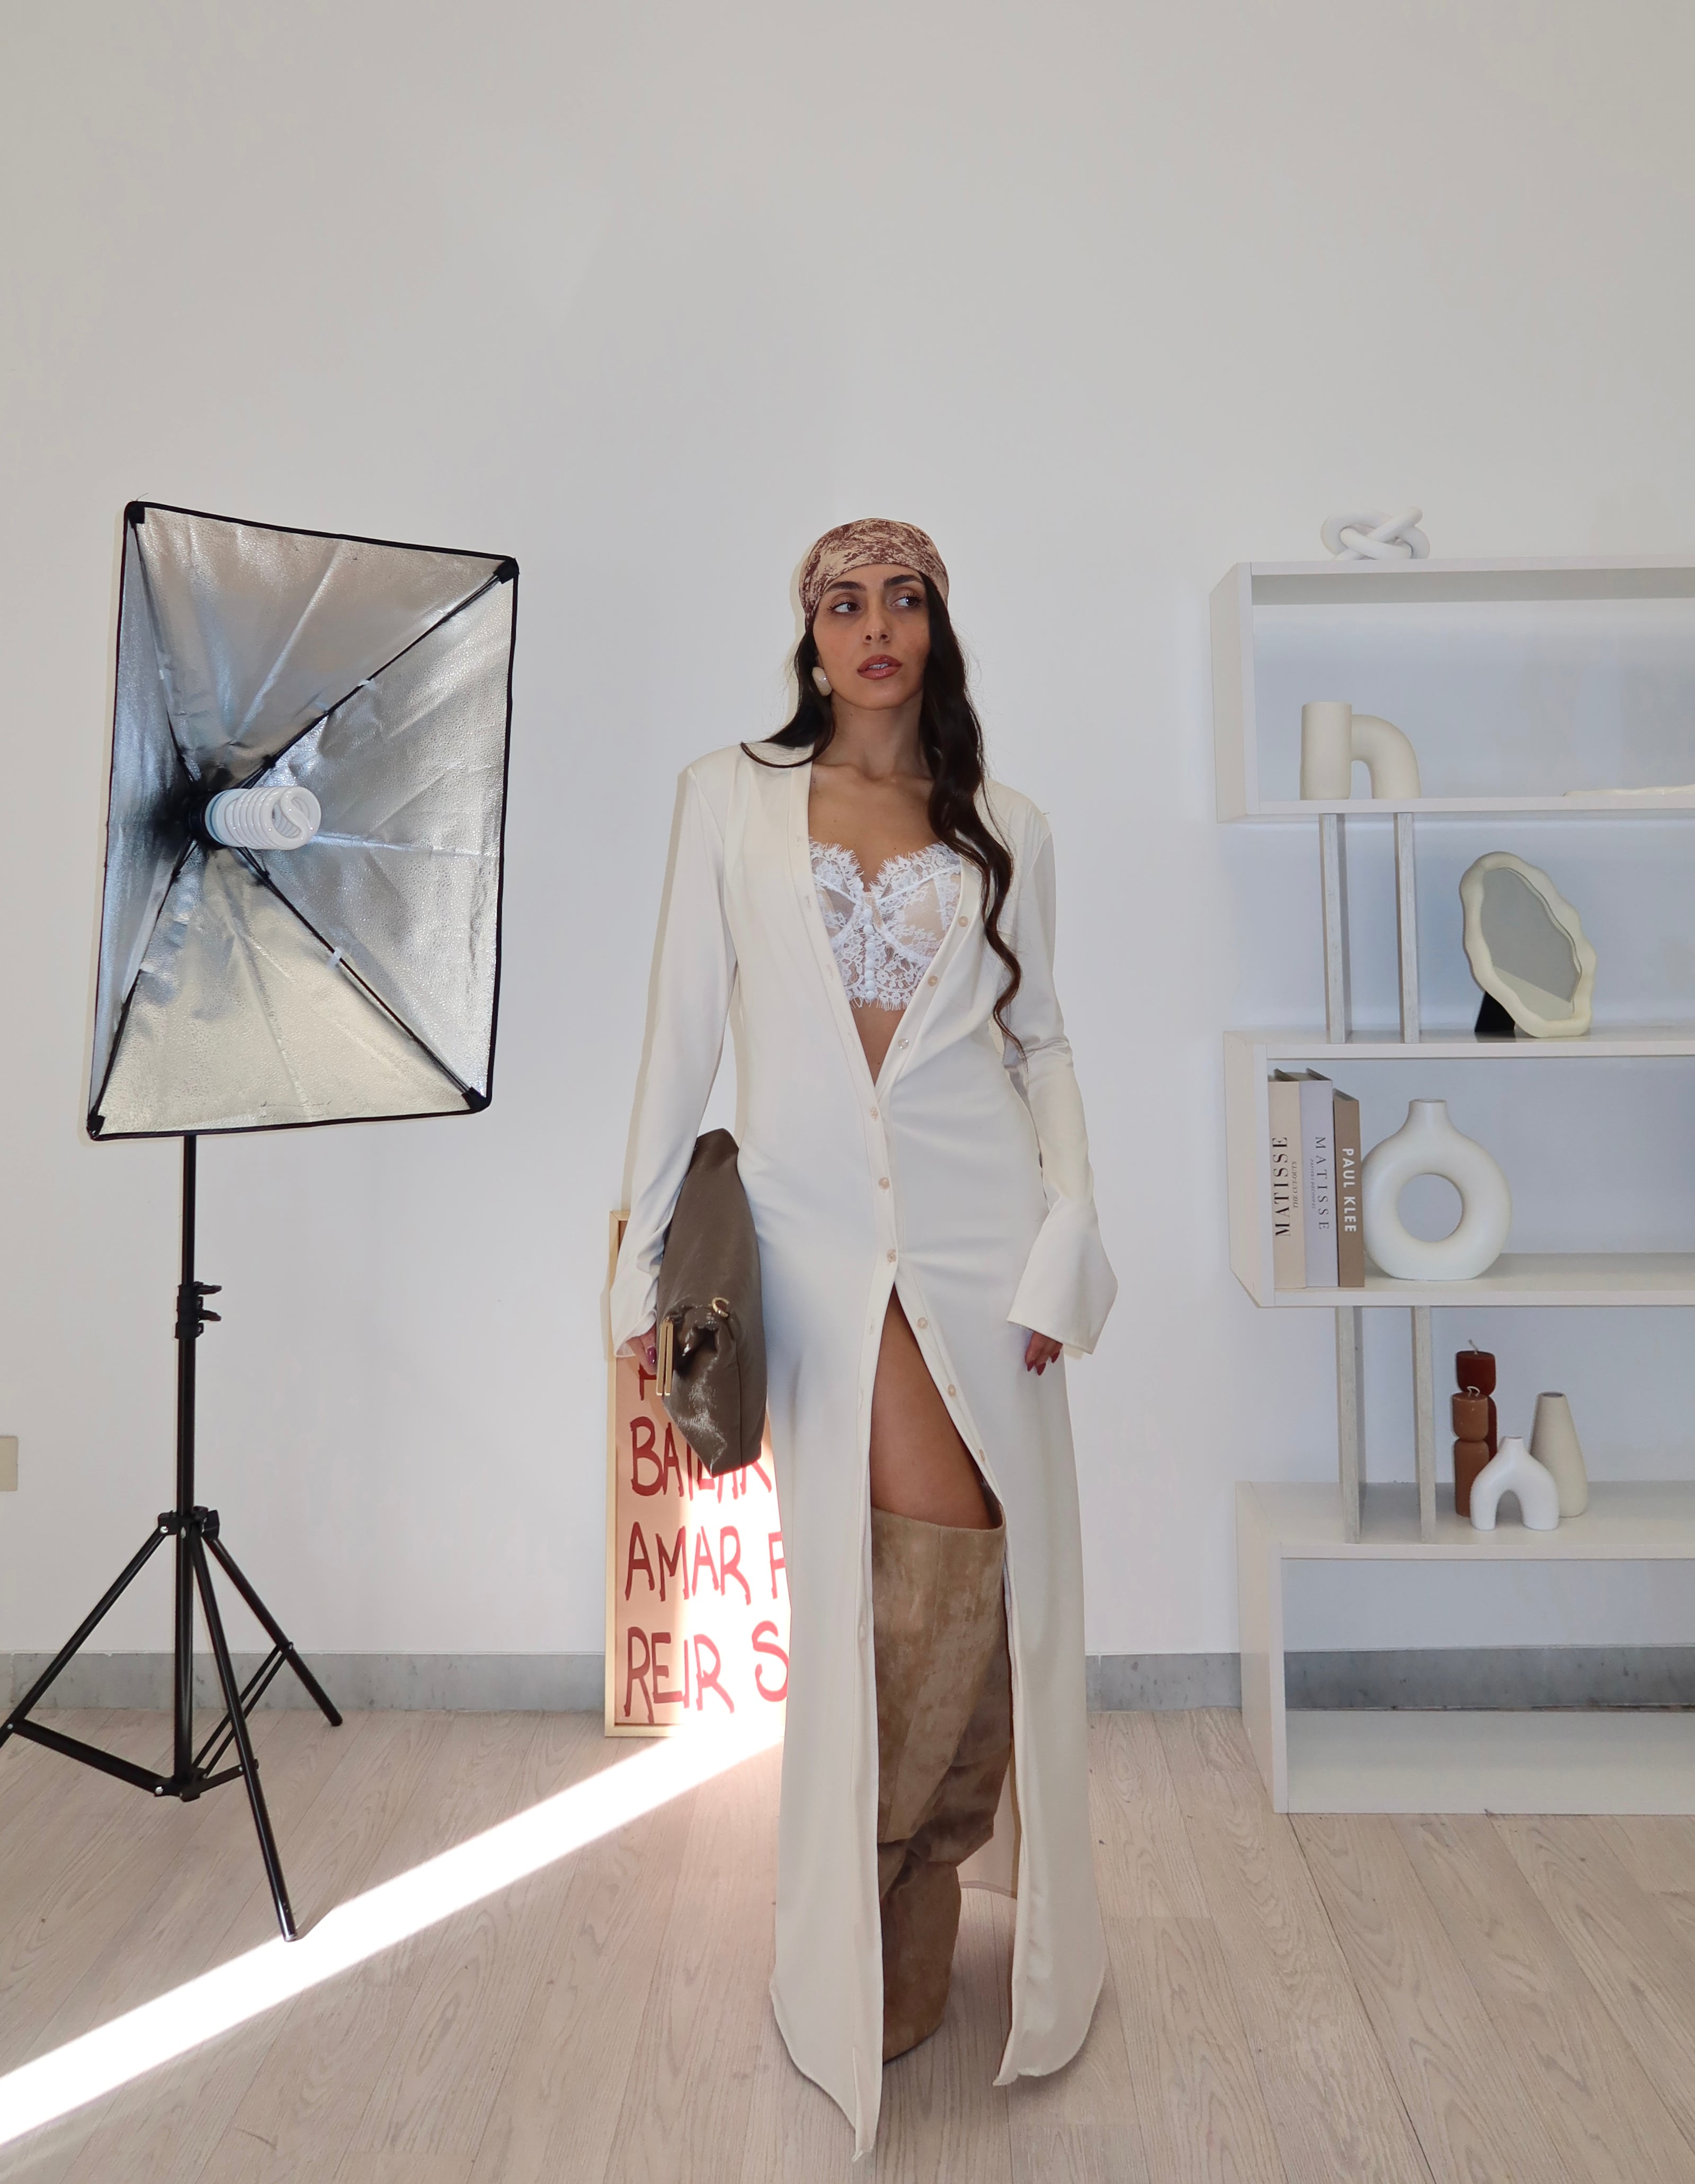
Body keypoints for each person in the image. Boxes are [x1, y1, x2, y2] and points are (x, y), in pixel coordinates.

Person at [609, 518, 1117, 2154]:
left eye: (905, 598)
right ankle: (875, 1892)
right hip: (819, 1247)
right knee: (898, 1569)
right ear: (811, 632)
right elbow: (681, 1036)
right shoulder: (729, 800)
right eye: (845, 600)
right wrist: (641, 1269)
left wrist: (1067, 1243)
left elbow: (1044, 1048)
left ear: (937, 628)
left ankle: (921, 1876)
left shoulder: (1008, 825)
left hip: (987, 1233)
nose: (875, 623)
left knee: (994, 1567)